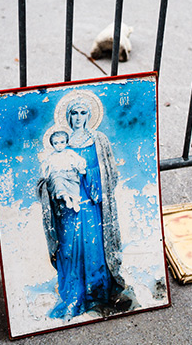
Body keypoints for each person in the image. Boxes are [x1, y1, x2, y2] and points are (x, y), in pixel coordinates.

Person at [39, 93, 132, 319]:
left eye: (83, 112)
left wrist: (91, 180)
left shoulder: (99, 139)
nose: (78, 117)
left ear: (89, 115)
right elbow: (45, 178)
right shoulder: (61, 142)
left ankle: (98, 293)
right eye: (74, 113)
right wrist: (57, 187)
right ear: (68, 117)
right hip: (68, 207)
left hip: (92, 202)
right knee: (70, 246)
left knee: (94, 245)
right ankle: (74, 295)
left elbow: (111, 171)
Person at [40, 130, 86, 213]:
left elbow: (78, 160)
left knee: (75, 186)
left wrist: (80, 168)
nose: (59, 146)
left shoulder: (69, 153)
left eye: (62, 142)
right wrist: (46, 173)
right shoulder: (52, 156)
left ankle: (75, 202)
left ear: (66, 142)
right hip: (58, 175)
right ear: (52, 145)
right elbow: (47, 167)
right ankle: (66, 198)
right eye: (56, 143)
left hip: (70, 174)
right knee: (58, 182)